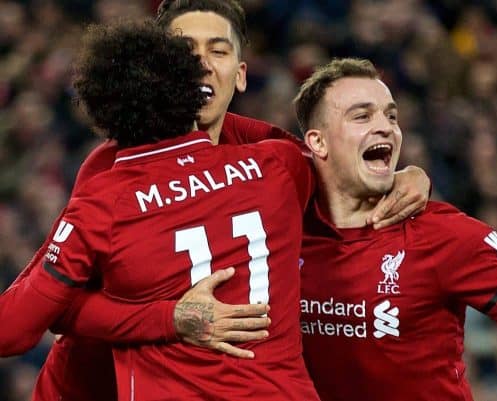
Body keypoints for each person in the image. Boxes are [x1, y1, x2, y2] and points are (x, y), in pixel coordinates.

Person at [5, 1, 431, 400]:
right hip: (93, 386)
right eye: (184, 51)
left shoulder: (267, 151)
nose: (202, 65)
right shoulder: (111, 171)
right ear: (159, 67)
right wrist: (170, 318)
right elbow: (60, 310)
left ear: (241, 74)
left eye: (218, 51)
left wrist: (403, 176)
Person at [294, 57, 497, 401]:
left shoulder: (442, 234)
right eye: (362, 116)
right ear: (317, 143)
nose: (386, 128)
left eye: (391, 115)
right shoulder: (283, 229)